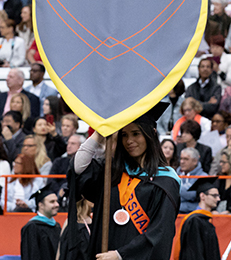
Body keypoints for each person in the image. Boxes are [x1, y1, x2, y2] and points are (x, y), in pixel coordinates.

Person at [73, 102, 180, 260]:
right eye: (124, 135)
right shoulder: (113, 173)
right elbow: (78, 168)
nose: (129, 140)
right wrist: (101, 131)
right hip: (103, 254)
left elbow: (160, 230)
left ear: (151, 133)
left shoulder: (165, 180)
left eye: (136, 133)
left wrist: (120, 255)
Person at [176, 177, 221, 260]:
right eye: (214, 195)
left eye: (218, 195)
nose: (218, 199)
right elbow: (194, 253)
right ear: (202, 196)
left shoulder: (205, 219)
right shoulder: (194, 221)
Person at [21, 186, 61, 260]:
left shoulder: (57, 226)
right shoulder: (32, 227)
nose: (57, 205)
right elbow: (30, 255)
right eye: (52, 202)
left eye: (57, 201)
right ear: (41, 205)